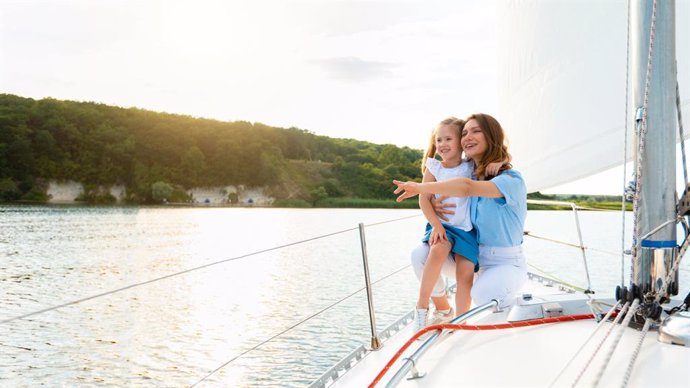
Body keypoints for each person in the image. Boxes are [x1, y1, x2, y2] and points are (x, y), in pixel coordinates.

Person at [396, 113, 527, 311]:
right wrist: (432, 201)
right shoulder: (473, 170)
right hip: (474, 255)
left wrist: (421, 188)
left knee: (482, 295)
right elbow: (455, 177)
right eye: (465, 133)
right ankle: (442, 310)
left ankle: (503, 302)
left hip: (504, 262)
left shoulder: (510, 180)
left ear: (491, 136)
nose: (468, 137)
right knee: (419, 256)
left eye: (476, 131)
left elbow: (466, 187)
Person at [413, 117, 507, 332]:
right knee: (437, 250)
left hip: (466, 230)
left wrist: (500, 162)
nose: (443, 144)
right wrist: (436, 225)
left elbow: (502, 156)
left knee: (464, 274)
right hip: (442, 226)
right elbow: (423, 198)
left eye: (448, 139)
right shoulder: (434, 167)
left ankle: (460, 321)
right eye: (439, 140)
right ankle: (421, 307)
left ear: (460, 143)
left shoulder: (470, 166)